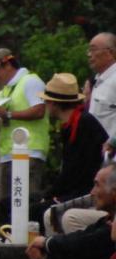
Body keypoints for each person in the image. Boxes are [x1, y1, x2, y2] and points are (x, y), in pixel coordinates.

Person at [0, 48, 49, 228]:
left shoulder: (31, 81)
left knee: (27, 203)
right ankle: (8, 239)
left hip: (30, 151)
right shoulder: (4, 92)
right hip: (9, 154)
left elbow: (39, 110)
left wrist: (9, 114)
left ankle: (29, 242)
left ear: (8, 65)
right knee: (8, 203)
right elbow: (3, 122)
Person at [36, 74, 108, 234]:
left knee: (37, 210)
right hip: (75, 188)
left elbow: (79, 170)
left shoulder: (84, 124)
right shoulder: (72, 124)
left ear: (54, 103)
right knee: (13, 203)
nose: (45, 104)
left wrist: (53, 195)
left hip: (86, 191)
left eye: (46, 100)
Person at [87, 32, 116, 138]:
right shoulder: (99, 81)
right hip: (100, 152)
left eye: (93, 50)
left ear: (110, 53)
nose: (89, 54)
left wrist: (113, 141)